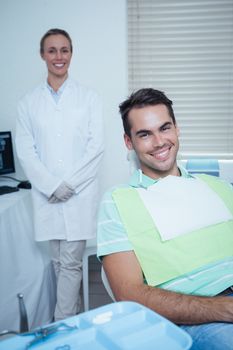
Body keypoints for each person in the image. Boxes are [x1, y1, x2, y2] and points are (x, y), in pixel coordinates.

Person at [97, 88, 233, 349]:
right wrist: (225, 308)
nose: (159, 142)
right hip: (198, 318)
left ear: (177, 129)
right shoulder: (117, 201)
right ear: (129, 142)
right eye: (145, 134)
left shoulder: (219, 187)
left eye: (164, 128)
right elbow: (129, 294)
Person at [15, 28, 104, 321]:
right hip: (47, 196)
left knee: (69, 263)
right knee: (58, 262)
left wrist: (69, 185)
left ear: (71, 54)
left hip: (78, 195)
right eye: (52, 50)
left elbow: (96, 148)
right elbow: (26, 151)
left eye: (64, 50)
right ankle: (75, 316)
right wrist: (52, 186)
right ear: (43, 55)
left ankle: (61, 324)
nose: (58, 56)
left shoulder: (88, 98)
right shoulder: (28, 103)